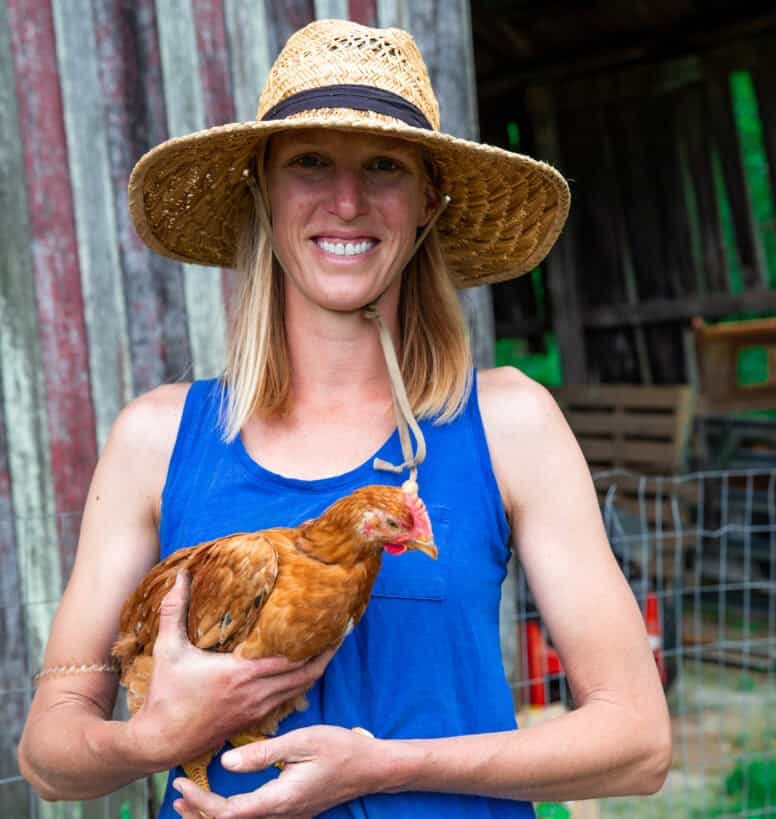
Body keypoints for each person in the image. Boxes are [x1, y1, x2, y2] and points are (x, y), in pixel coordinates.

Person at [17, 18, 671, 819]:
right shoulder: (157, 440)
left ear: (428, 198)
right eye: (311, 163)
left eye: (385, 167)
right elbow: (49, 754)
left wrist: (382, 766)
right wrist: (151, 740)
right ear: (263, 186)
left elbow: (638, 739)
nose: (348, 201)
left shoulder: (509, 423)